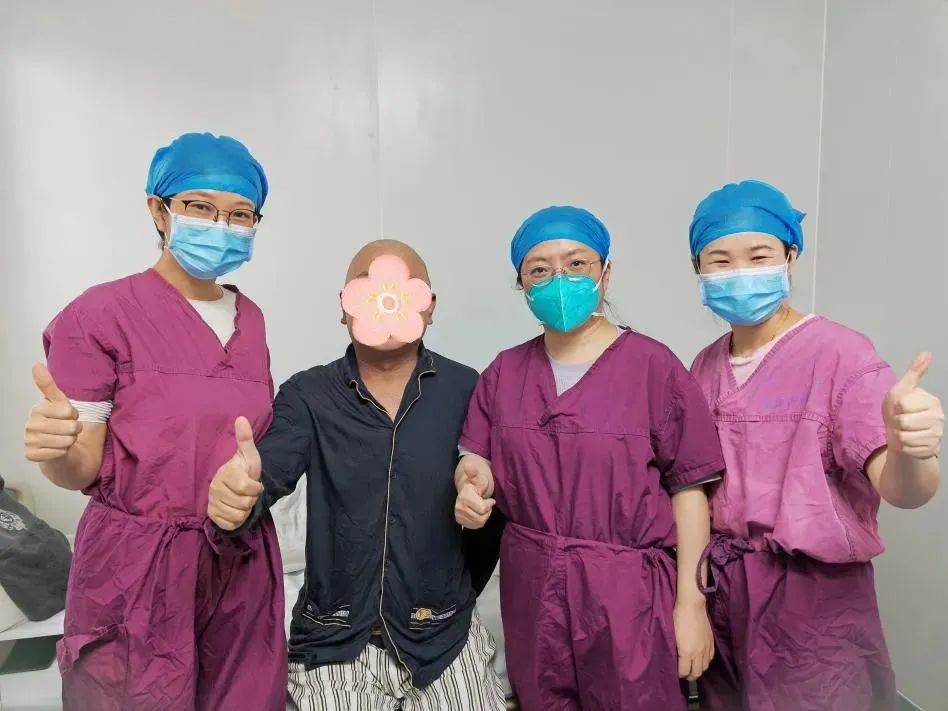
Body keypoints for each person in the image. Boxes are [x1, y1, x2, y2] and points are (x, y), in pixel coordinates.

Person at [22, 133, 286, 710]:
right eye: (200, 206)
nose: (221, 225)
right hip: (136, 570)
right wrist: (57, 448)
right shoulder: (99, 315)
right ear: (158, 210)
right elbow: (80, 467)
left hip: (238, 561)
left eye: (240, 214)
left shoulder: (252, 320)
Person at [207, 240, 506, 711]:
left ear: (430, 306)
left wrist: (480, 503)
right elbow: (268, 471)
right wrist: (240, 493)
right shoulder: (308, 394)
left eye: (404, 287)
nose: (385, 299)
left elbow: (493, 495)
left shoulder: (470, 389)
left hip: (442, 637)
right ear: (344, 307)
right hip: (334, 640)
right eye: (367, 288)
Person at [454, 206, 726, 710]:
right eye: (539, 269)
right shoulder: (504, 373)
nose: (559, 279)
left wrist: (692, 606)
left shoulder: (653, 368)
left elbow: (690, 489)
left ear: (606, 272)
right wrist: (470, 484)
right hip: (533, 588)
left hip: (627, 593)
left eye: (577, 263)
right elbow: (478, 461)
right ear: (522, 284)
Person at [687, 180, 943, 711]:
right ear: (698, 269)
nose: (740, 273)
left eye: (758, 255)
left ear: (790, 257)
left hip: (814, 605)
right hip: (726, 591)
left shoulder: (840, 355)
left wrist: (913, 451)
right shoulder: (705, 366)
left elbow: (903, 490)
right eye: (720, 261)